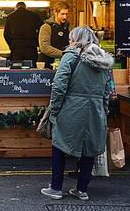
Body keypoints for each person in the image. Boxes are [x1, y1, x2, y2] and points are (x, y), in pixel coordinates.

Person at [41, 26, 114, 201]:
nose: (69, 41)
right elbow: (107, 91)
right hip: (95, 110)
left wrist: (55, 109)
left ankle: (56, 188)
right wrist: (104, 112)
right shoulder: (103, 61)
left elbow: (59, 86)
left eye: (71, 38)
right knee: (88, 150)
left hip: (72, 107)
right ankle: (82, 190)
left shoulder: (71, 56)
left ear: (76, 39)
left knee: (59, 145)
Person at [38, 1, 70, 69]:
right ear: (55, 12)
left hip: (62, 63)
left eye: (66, 14)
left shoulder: (67, 27)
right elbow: (44, 47)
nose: (65, 17)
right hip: (47, 64)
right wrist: (63, 54)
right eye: (62, 14)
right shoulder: (46, 27)